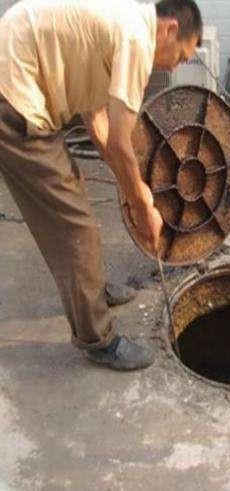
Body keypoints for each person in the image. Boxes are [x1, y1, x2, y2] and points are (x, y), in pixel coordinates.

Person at [0, 0, 202, 370]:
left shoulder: (121, 23)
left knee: (72, 196)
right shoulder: (137, 39)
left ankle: (90, 288)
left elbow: (98, 124)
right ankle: (98, 339)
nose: (176, 66)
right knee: (74, 226)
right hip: (14, 96)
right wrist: (142, 205)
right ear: (170, 28)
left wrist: (130, 187)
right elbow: (122, 144)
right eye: (182, 56)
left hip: (16, 74)